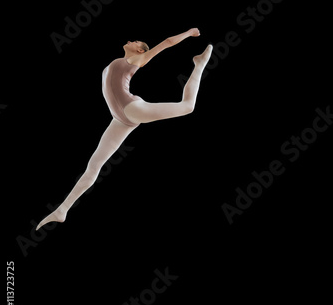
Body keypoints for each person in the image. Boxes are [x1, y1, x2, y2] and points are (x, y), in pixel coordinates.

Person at [36, 28, 212, 230]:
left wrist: (189, 32)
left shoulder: (136, 60)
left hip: (133, 109)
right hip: (119, 118)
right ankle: (62, 210)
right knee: (94, 165)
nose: (130, 39)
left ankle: (199, 64)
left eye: (136, 40)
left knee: (187, 107)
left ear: (139, 50)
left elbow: (168, 42)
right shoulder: (116, 62)